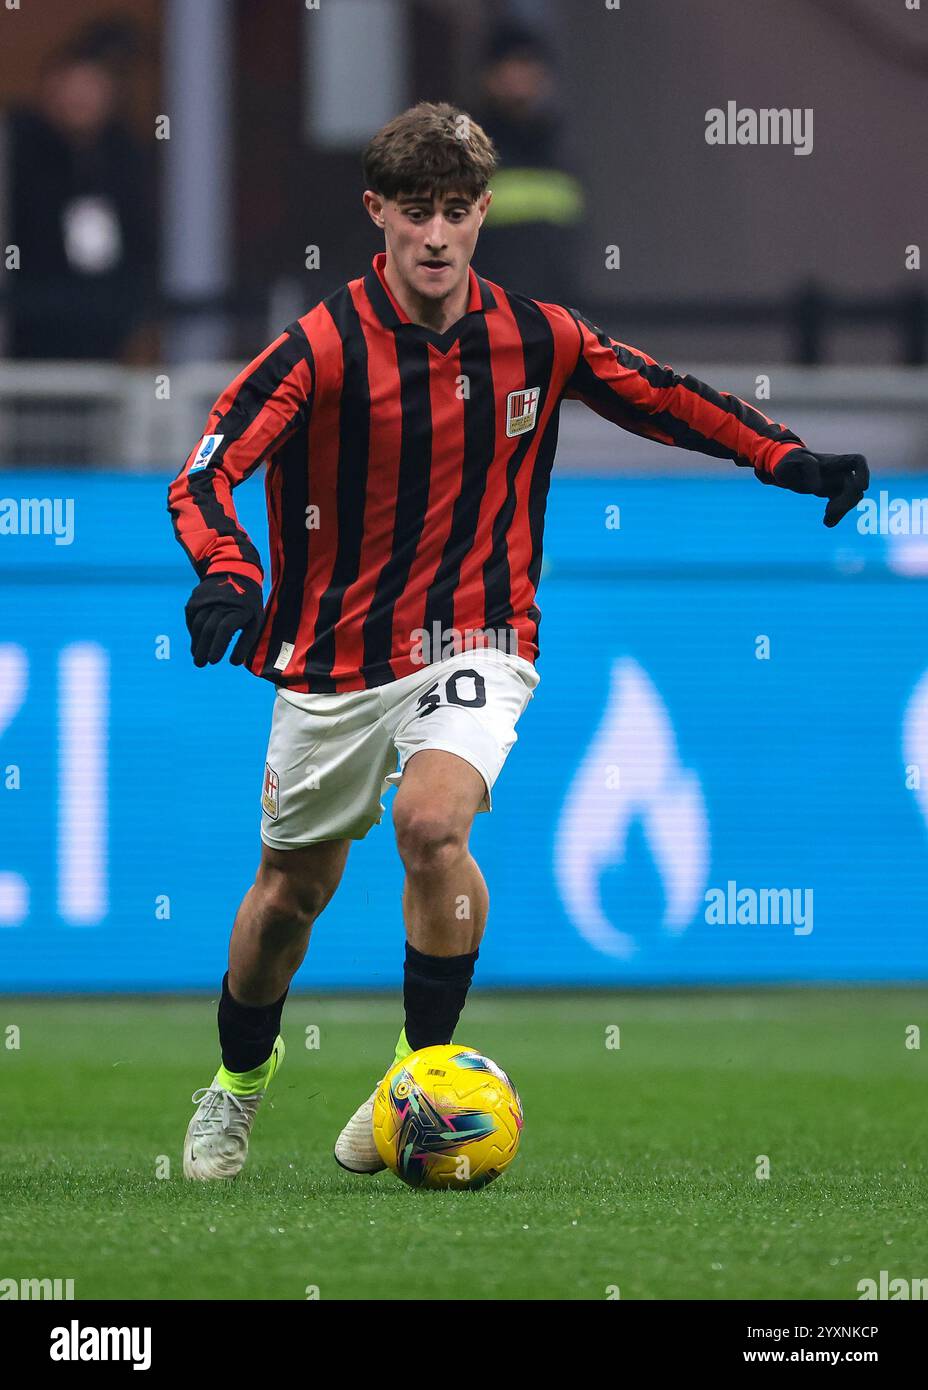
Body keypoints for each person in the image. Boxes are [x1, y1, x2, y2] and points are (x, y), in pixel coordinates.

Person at [167, 101, 869, 1181]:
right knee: (287, 897)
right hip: (332, 661)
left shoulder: (538, 335)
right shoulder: (317, 349)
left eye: (456, 212)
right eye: (416, 213)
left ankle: (416, 1073)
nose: (437, 236)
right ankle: (237, 1088)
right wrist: (228, 569)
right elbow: (207, 471)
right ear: (378, 215)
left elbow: (663, 398)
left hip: (478, 636)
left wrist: (786, 458)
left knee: (432, 825)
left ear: (482, 212)